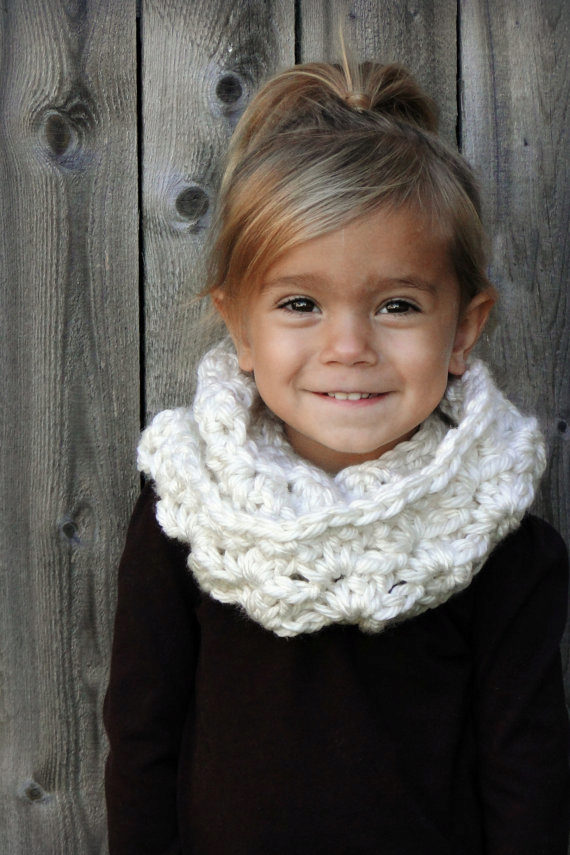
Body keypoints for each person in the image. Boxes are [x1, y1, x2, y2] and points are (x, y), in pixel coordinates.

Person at [104, 58, 570, 855]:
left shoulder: (504, 550)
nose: (349, 346)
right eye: (301, 303)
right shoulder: (184, 514)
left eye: (397, 305)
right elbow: (143, 743)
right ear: (240, 326)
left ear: (464, 329)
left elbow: (527, 781)